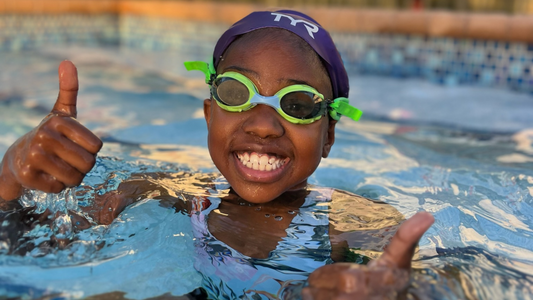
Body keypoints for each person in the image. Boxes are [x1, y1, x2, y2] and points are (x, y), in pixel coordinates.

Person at [0, 9, 434, 299]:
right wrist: (11, 182)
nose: (263, 125)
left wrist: (405, 291)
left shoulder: (358, 224)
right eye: (236, 92)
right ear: (210, 114)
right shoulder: (153, 191)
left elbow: (450, 280)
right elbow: (31, 252)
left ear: (328, 135)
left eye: (298, 104)